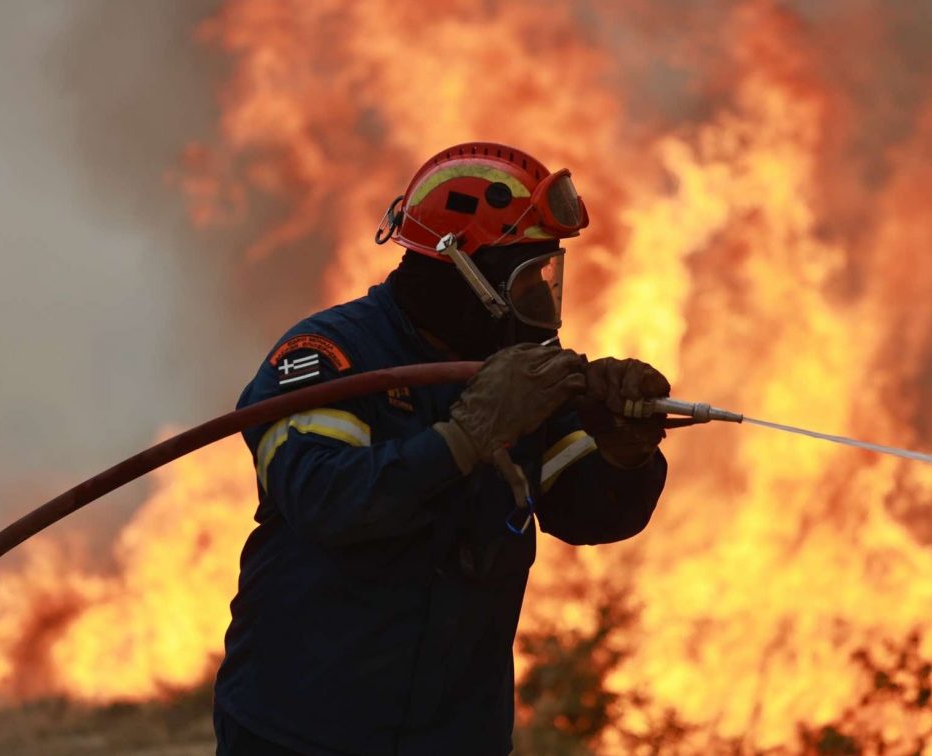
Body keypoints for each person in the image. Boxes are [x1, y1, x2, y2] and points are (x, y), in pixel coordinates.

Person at [214, 143, 671, 755]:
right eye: (525, 280)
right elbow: (327, 499)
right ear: (458, 270)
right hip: (302, 732)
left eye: (547, 278)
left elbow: (588, 514)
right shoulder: (329, 358)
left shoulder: (517, 376)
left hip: (456, 738)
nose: (542, 305)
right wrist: (465, 437)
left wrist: (625, 452)